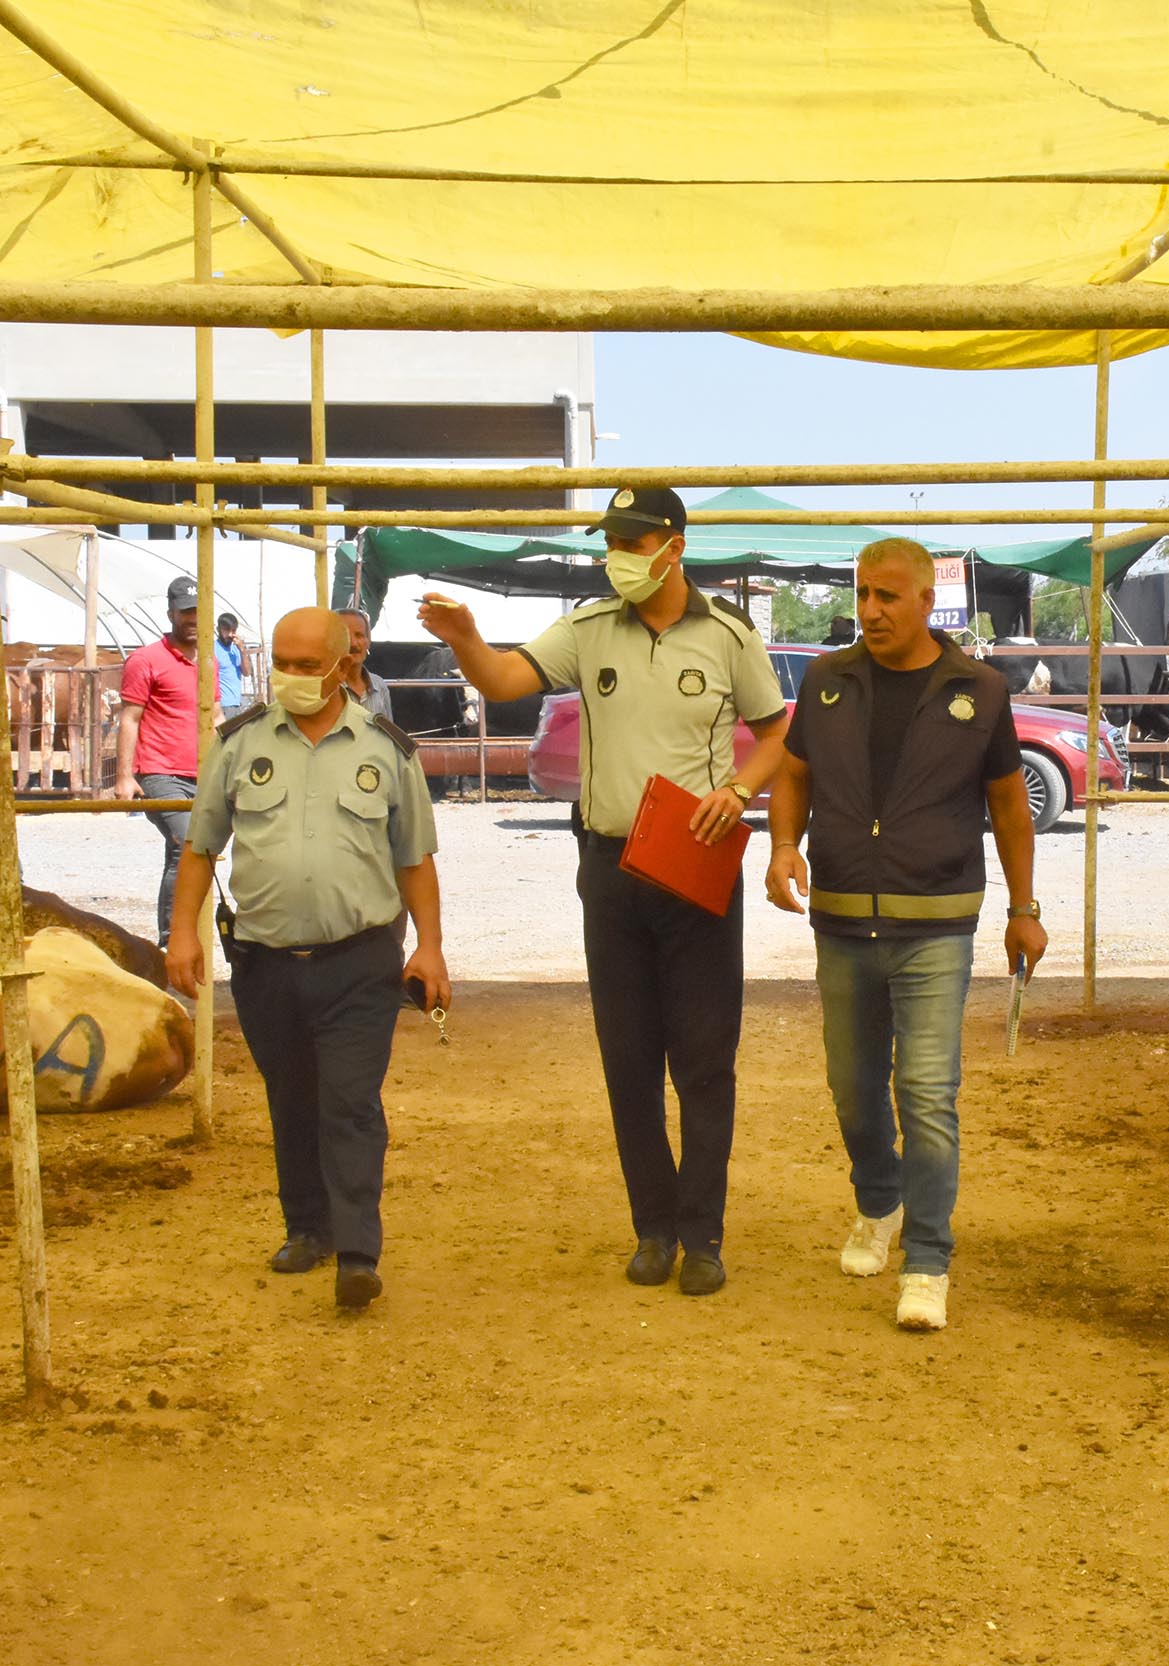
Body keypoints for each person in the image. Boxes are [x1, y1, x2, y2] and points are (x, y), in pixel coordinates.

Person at [418, 484, 785, 1297]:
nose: (619, 554)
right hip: (611, 870)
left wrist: (743, 788)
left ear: (673, 547)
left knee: (704, 1061)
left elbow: (780, 729)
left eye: (633, 539)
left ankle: (705, 1234)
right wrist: (470, 638)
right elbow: (507, 678)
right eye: (612, 540)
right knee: (629, 1060)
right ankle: (652, 1230)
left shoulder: (728, 636)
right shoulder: (589, 629)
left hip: (696, 867)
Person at [764, 539, 1045, 1334]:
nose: (870, 610)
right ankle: (878, 1202)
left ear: (929, 601)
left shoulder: (979, 691)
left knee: (925, 1093)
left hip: (936, 922)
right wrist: (784, 845)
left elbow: (1009, 804)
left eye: (887, 596)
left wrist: (1025, 907)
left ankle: (927, 1259)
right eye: (862, 594)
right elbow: (795, 774)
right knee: (853, 1086)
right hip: (843, 918)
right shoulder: (825, 682)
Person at [166, 607, 449, 1312]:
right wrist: (183, 932)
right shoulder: (238, 743)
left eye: (305, 664)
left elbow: (415, 859)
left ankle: (358, 1250)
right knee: (292, 1098)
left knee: (350, 1102)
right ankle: (307, 1227)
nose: (290, 677)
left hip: (360, 960)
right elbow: (200, 847)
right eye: (281, 663)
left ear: (342, 666)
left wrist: (432, 946)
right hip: (265, 961)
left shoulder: (388, 749)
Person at [115, 576, 219, 944]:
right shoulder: (146, 660)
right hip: (159, 770)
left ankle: (183, 934)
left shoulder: (208, 660)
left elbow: (215, 715)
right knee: (188, 843)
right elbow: (130, 717)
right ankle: (174, 935)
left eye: (198, 613)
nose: (192, 619)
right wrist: (125, 776)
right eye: (186, 612)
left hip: (201, 771)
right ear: (171, 613)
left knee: (192, 849)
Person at [340, 608, 393, 722]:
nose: (353, 643)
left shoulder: (379, 685)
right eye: (345, 636)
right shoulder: (327, 688)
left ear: (368, 641)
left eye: (359, 635)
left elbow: (388, 735)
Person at [214, 613, 251, 713]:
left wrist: (242, 651)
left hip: (237, 704)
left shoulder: (236, 648)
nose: (230, 634)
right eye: (226, 630)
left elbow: (247, 673)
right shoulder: (213, 649)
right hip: (222, 706)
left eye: (233, 630)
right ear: (218, 630)